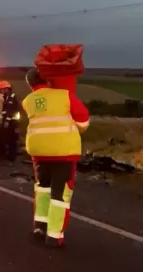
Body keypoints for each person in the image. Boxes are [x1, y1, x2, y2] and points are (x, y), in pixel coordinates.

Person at [23, 68, 90, 248]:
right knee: (60, 194)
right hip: (63, 152)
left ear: (30, 84)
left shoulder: (28, 101)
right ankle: (54, 236)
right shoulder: (64, 95)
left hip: (38, 151)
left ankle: (39, 228)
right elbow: (83, 120)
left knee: (42, 189)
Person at [0, 80, 20, 160]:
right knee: (2, 138)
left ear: (6, 89)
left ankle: (11, 157)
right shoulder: (5, 96)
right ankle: (3, 154)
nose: (1, 91)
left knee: (12, 140)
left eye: (2, 89)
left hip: (12, 122)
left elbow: (11, 110)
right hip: (6, 121)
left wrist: (7, 120)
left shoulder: (12, 97)